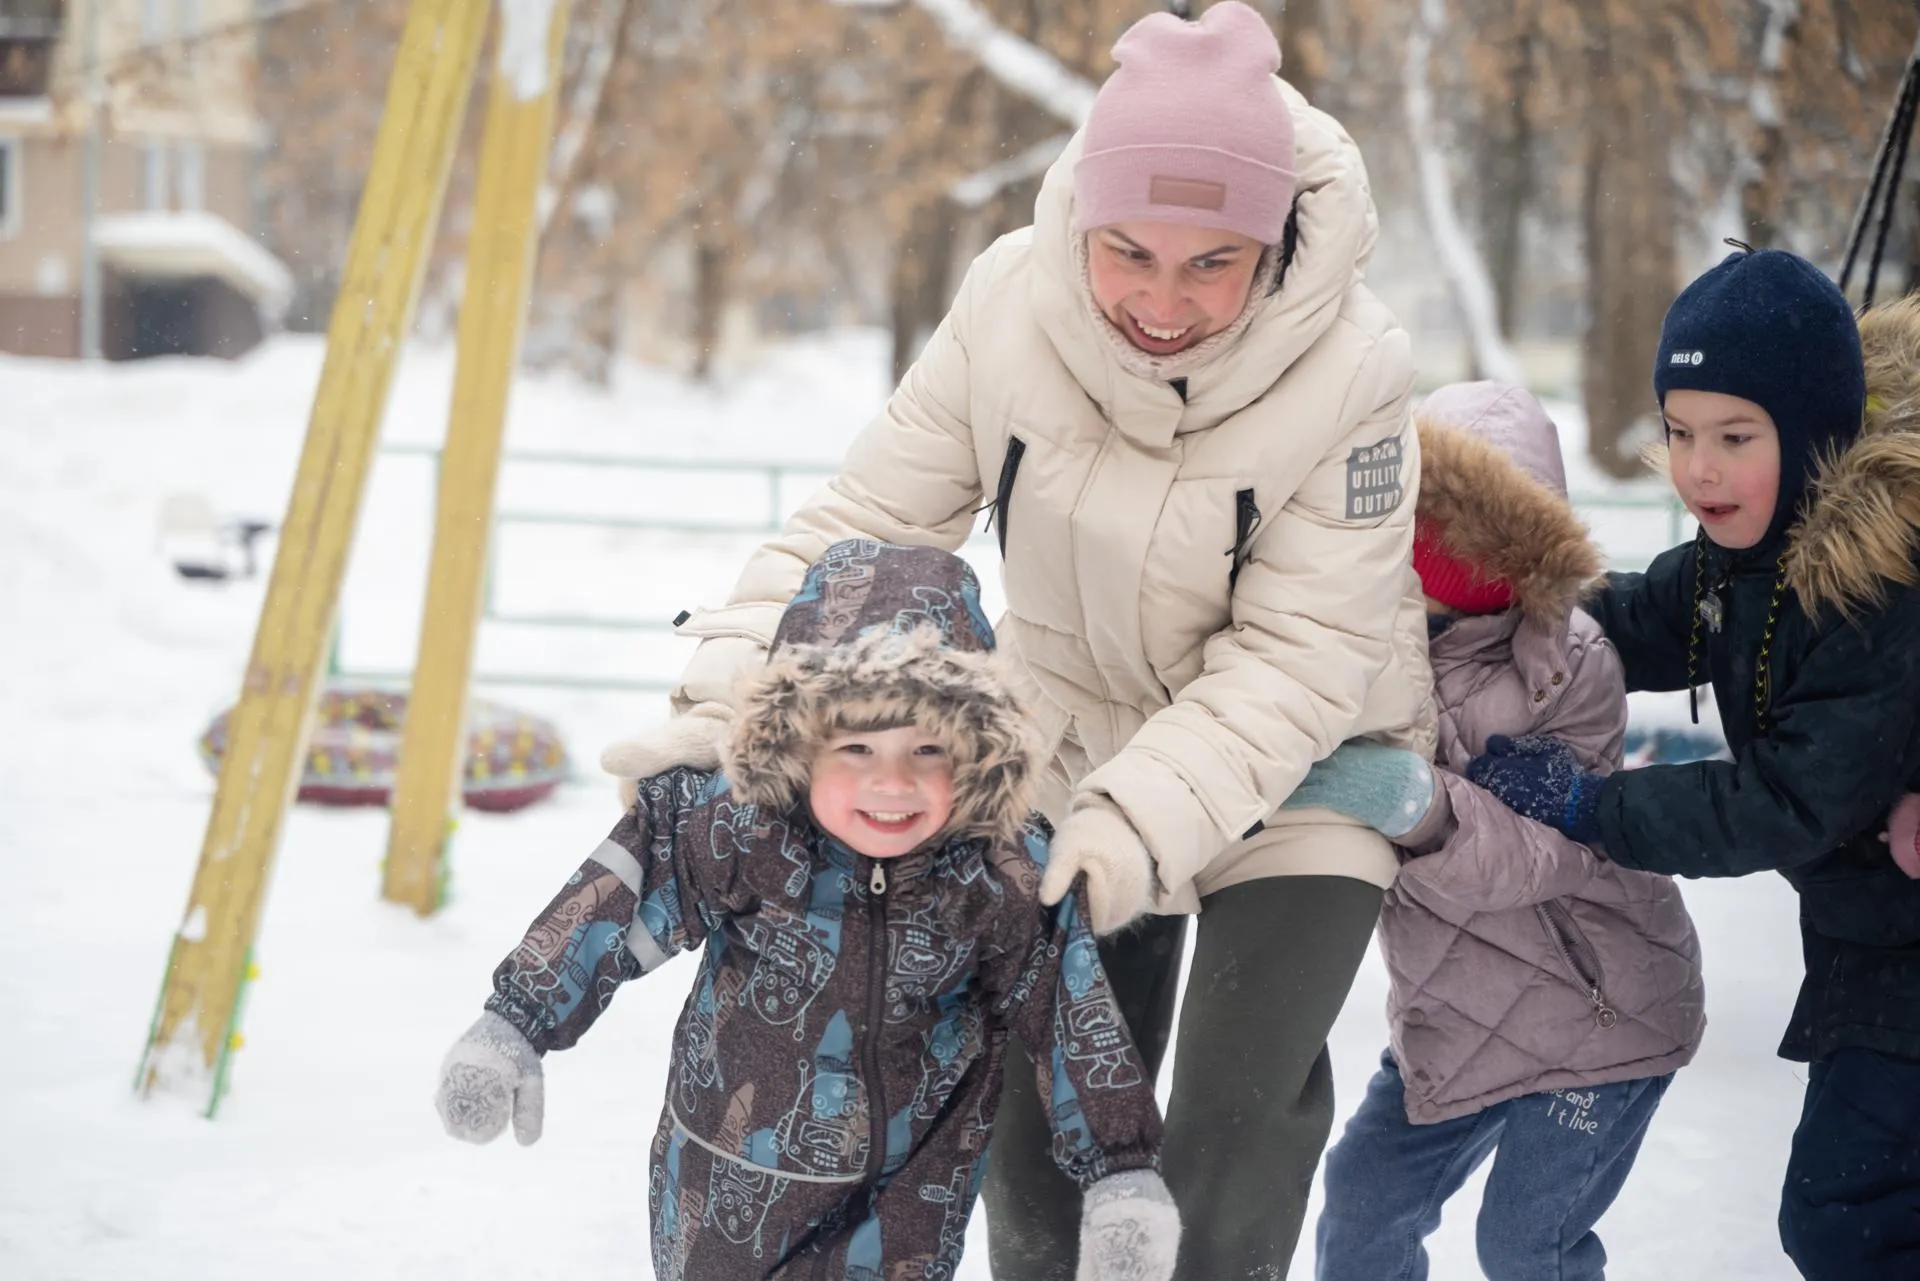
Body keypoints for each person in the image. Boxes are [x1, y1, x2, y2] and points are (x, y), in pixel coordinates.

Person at [602, 5, 1435, 1273]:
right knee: (1034, 1098)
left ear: (1272, 250)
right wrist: (729, 699)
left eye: (1213, 264)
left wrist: (1136, 825)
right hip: (1071, 733)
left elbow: (1300, 656)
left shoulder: (1359, 371)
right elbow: (866, 525)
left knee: (1233, 1114)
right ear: (1084, 224)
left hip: (1309, 764)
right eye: (1131, 253)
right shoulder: (1009, 302)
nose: (1163, 300)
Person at [436, 541, 1180, 1281]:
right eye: (856, 745)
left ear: (977, 754)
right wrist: (515, 1024)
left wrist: (1121, 1170)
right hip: (724, 1183)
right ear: (799, 743)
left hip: (908, 1204)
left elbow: (1070, 1011)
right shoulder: (739, 826)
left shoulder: (1002, 872)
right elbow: (613, 904)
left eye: (928, 749)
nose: (892, 782)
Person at [1462, 252, 1920, 1281]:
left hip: (1902, 940)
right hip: (1871, 930)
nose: (1698, 468)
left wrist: (1591, 808)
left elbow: (1790, 799)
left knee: (1851, 1216)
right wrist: (1497, 603)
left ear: (1815, 435)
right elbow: (1631, 620)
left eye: (1735, 437)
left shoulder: (1878, 589)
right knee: (1857, 1212)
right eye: (1678, 431)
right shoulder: (1740, 559)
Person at [1279, 382, 1705, 1280]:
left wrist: (1420, 806)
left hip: (1603, 1015)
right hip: (1454, 1016)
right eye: (1430, 519)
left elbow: (1556, 857)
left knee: (1526, 1243)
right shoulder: (1358, 645)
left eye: (1485, 530)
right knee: (1363, 1202)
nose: (1448, 552)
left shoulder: (1571, 660)